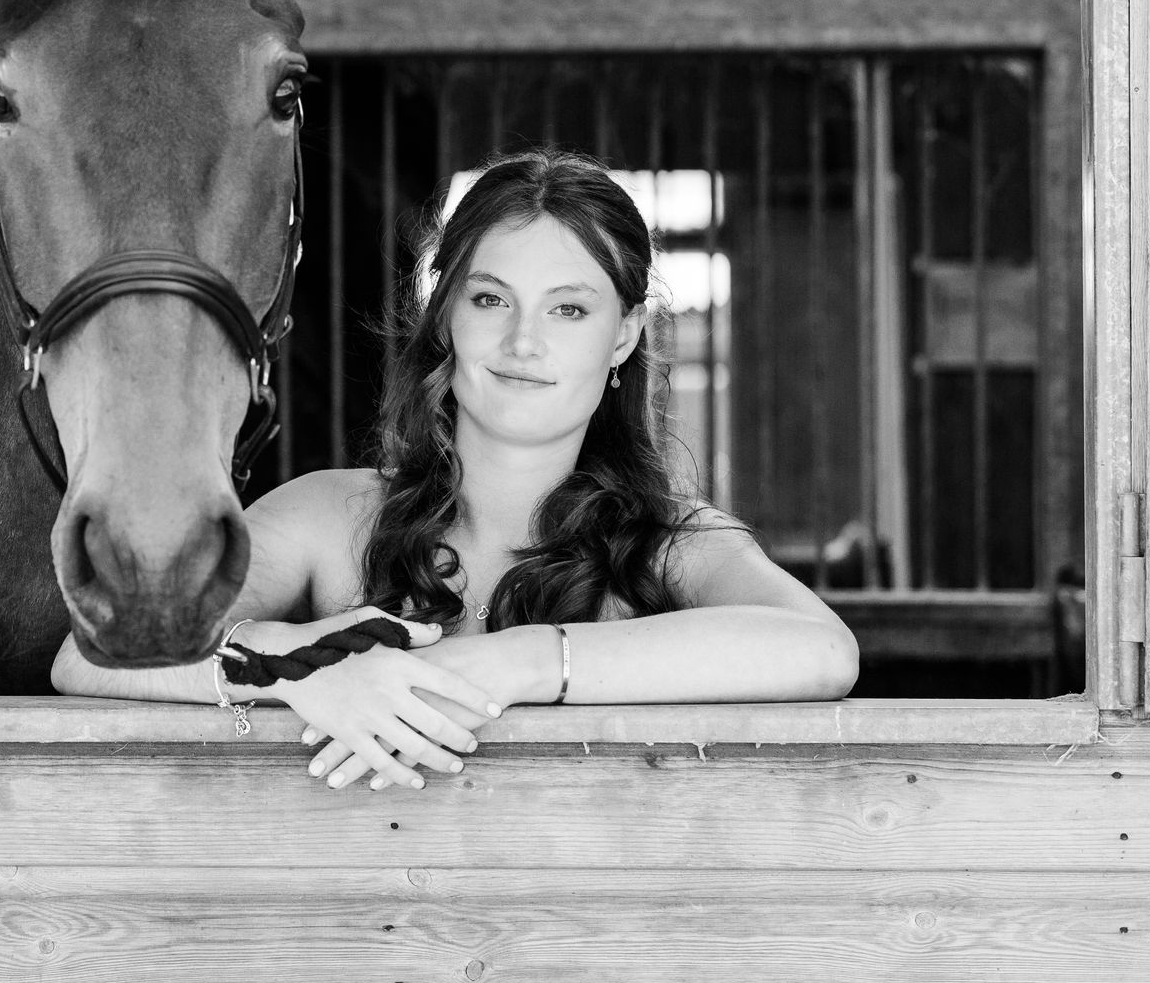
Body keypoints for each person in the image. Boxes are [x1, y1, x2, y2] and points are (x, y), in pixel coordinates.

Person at [52, 147, 859, 792]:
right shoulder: (331, 515)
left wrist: (520, 660)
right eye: (489, 300)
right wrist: (297, 669)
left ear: (622, 337)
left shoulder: (673, 543)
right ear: (445, 316)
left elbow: (823, 652)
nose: (523, 342)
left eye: (569, 309)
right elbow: (90, 654)